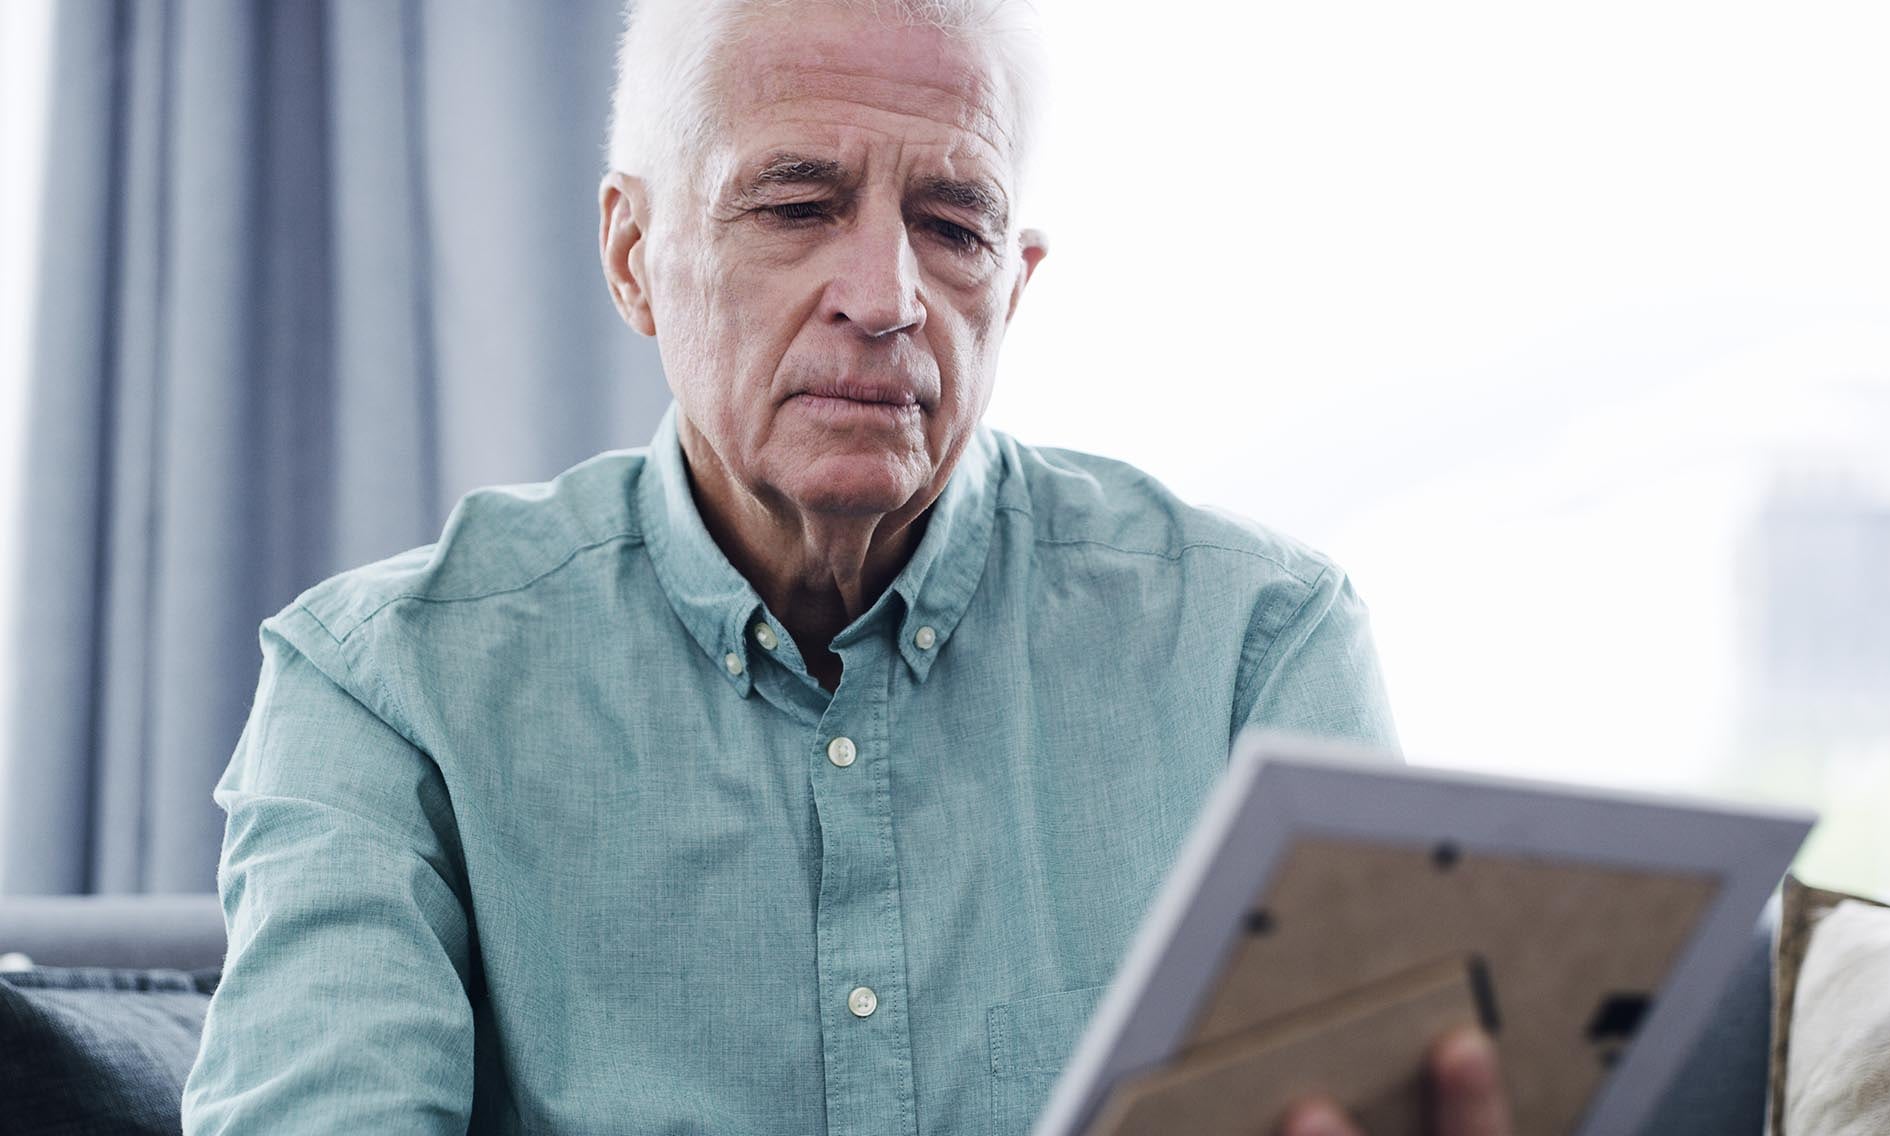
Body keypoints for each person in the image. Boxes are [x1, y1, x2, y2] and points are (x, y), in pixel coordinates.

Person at [182, 1, 1512, 1132]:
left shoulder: (1256, 647)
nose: (884, 295)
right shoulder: (387, 685)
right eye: (796, 204)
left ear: (1017, 281)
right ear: (634, 257)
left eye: (953, 224)